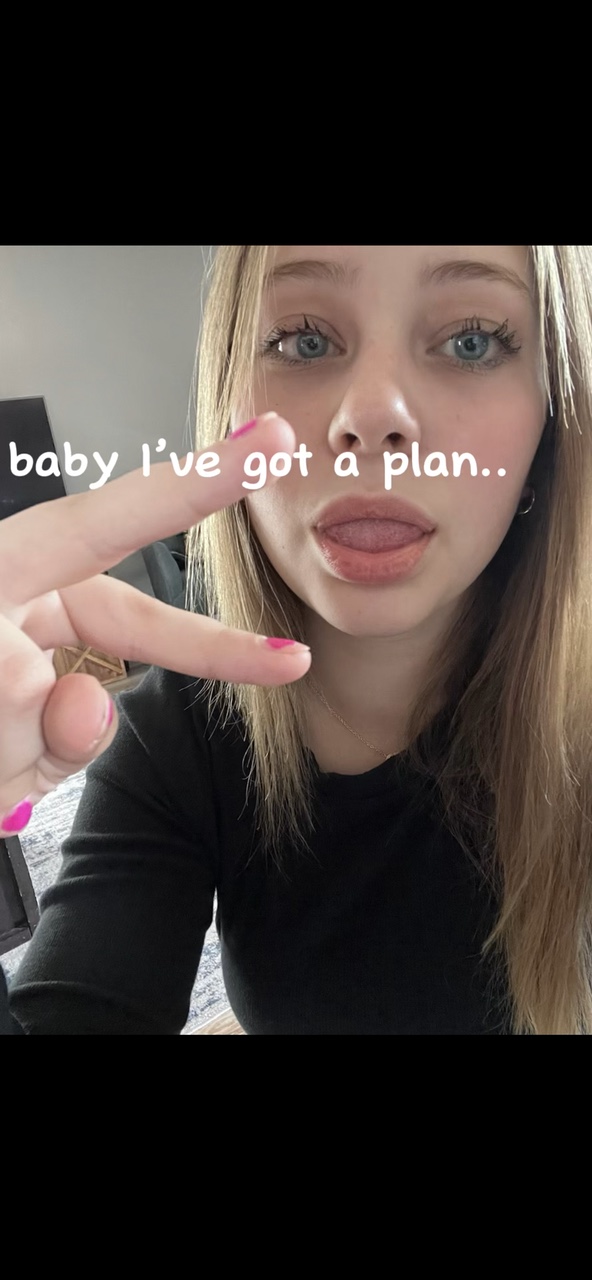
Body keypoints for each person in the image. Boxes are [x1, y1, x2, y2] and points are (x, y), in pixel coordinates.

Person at [2, 244, 591, 1035]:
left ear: (552, 420)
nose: (372, 417)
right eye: (305, 340)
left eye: (472, 340)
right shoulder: (174, 738)